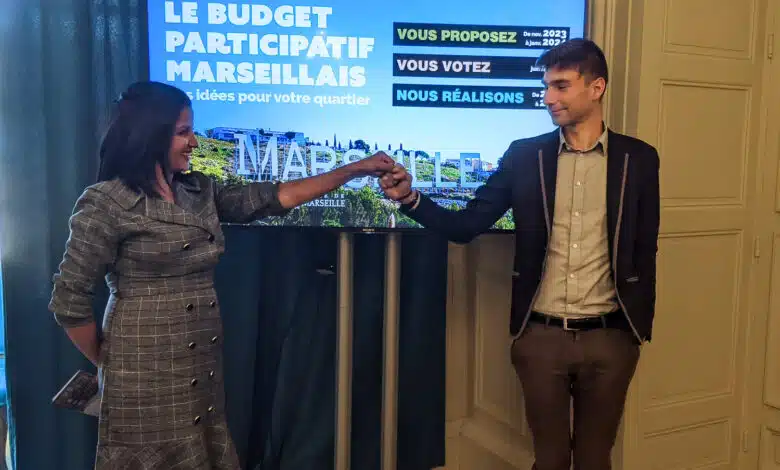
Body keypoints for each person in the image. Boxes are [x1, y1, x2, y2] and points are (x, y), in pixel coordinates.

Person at [48, 80, 395, 469]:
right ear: (151, 135)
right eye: (183, 132)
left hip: (201, 368)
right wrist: (111, 363)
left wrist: (354, 170)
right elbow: (69, 301)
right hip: (141, 375)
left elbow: (278, 197)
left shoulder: (199, 191)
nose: (193, 142)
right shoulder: (106, 202)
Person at [380, 38, 660, 470]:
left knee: (595, 459)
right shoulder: (526, 156)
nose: (548, 98)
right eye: (546, 87)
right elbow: (466, 225)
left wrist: (635, 330)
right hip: (541, 338)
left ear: (596, 87)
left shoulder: (638, 159)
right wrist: (409, 199)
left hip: (611, 339)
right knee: (549, 459)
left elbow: (645, 246)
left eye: (561, 86)